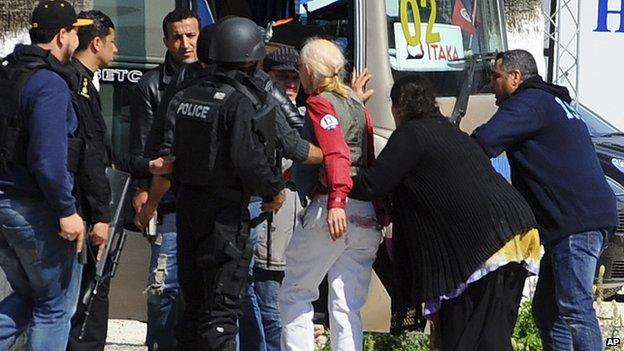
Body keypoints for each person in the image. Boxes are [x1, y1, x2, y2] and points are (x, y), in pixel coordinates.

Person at [349, 75, 540, 350]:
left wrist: (332, 180)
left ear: (398, 107)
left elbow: (372, 184)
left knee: (471, 338)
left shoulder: (412, 134)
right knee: (485, 334)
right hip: (515, 233)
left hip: (487, 244)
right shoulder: (448, 131)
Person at [151, 16, 285, 350]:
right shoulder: (237, 101)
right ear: (248, 57)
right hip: (225, 217)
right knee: (221, 313)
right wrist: (273, 189)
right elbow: (247, 158)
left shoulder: (188, 94)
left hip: (189, 210)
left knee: (193, 306)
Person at [471, 49, 618, 351]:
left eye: (496, 76)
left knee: (576, 308)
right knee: (548, 311)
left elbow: (484, 141)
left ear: (515, 77)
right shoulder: (552, 101)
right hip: (580, 219)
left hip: (576, 222)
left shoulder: (530, 102)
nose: (491, 85)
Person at [278, 38, 382, 351]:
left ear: (308, 71)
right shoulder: (355, 103)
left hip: (332, 209)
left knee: (296, 292)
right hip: (366, 213)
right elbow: (362, 153)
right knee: (346, 303)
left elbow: (336, 151)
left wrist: (336, 200)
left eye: (299, 69)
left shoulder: (320, 102)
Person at [0, 1, 92, 350]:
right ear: (61, 35)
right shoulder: (49, 84)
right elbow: (47, 160)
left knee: (28, 296)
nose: (78, 38)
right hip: (34, 209)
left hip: (6, 208)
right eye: (75, 31)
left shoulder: (6, 73)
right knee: (55, 307)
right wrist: (67, 211)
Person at [130, 8, 200, 351]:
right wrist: (143, 190)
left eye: (191, 35)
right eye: (177, 37)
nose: (185, 44)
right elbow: (142, 148)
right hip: (168, 201)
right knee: (163, 288)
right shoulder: (151, 85)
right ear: (166, 42)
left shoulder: (213, 78)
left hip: (206, 200)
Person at [239, 46, 304, 351]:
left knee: (275, 306)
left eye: (295, 77)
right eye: (281, 78)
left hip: (289, 231)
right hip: (266, 223)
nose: (289, 84)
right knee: (264, 303)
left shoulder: (306, 116)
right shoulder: (259, 111)